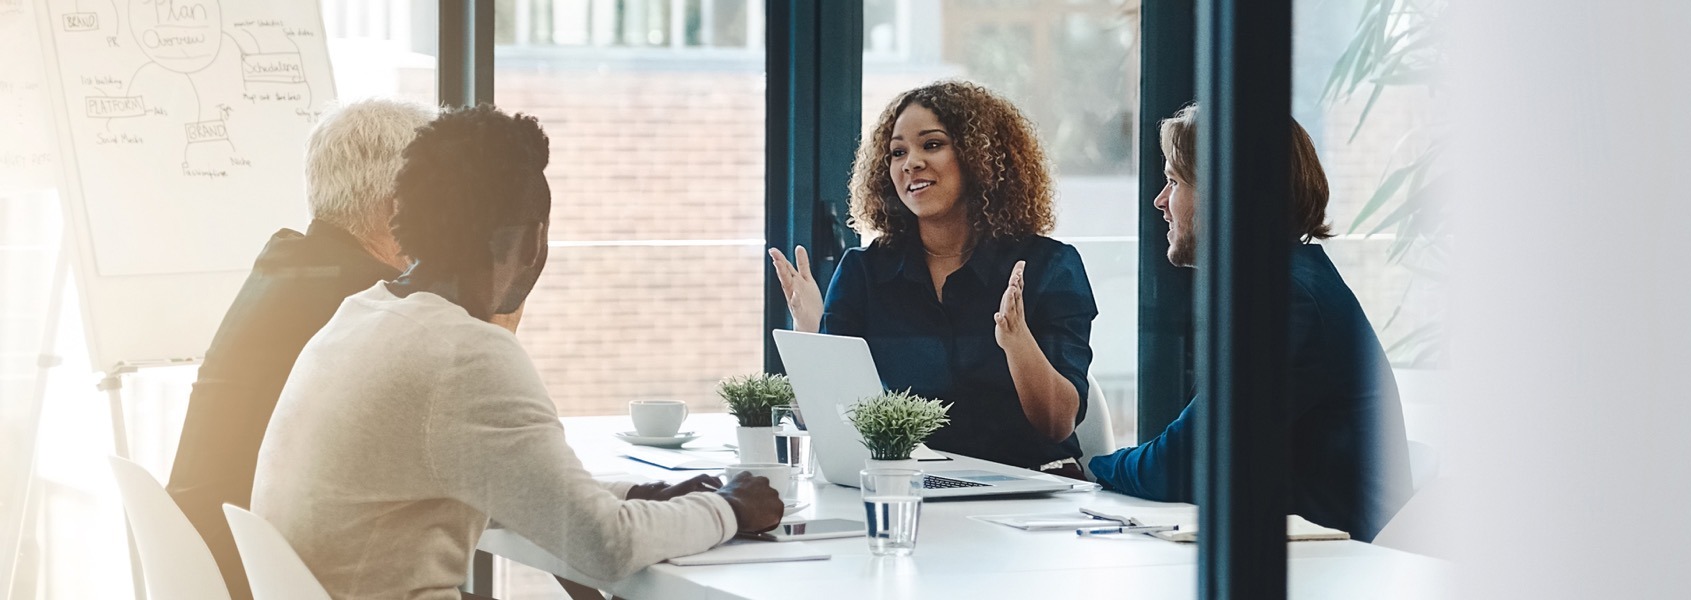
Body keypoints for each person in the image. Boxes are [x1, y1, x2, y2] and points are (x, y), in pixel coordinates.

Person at [251, 105, 783, 599]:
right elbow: (604, 547)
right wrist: (729, 508)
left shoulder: (361, 316)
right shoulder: (464, 353)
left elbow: (514, 483)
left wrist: (638, 491)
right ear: (531, 242)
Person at [1087, 106, 1413, 542]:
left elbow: (1183, 463)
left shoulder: (1288, 299)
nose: (1160, 202)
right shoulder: (1284, 284)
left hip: (1339, 570)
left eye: (1174, 182)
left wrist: (1094, 464)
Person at [165, 97, 434, 599]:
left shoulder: (286, 266)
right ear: (401, 206)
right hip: (273, 580)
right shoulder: (371, 303)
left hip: (217, 570)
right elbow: (463, 446)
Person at [769, 80, 1098, 477]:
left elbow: (1057, 423)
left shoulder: (1049, 267)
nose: (910, 163)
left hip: (1033, 485)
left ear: (980, 158)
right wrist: (810, 334)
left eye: (932, 144)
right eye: (897, 152)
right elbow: (829, 421)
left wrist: (1017, 343)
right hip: (914, 483)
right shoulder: (864, 273)